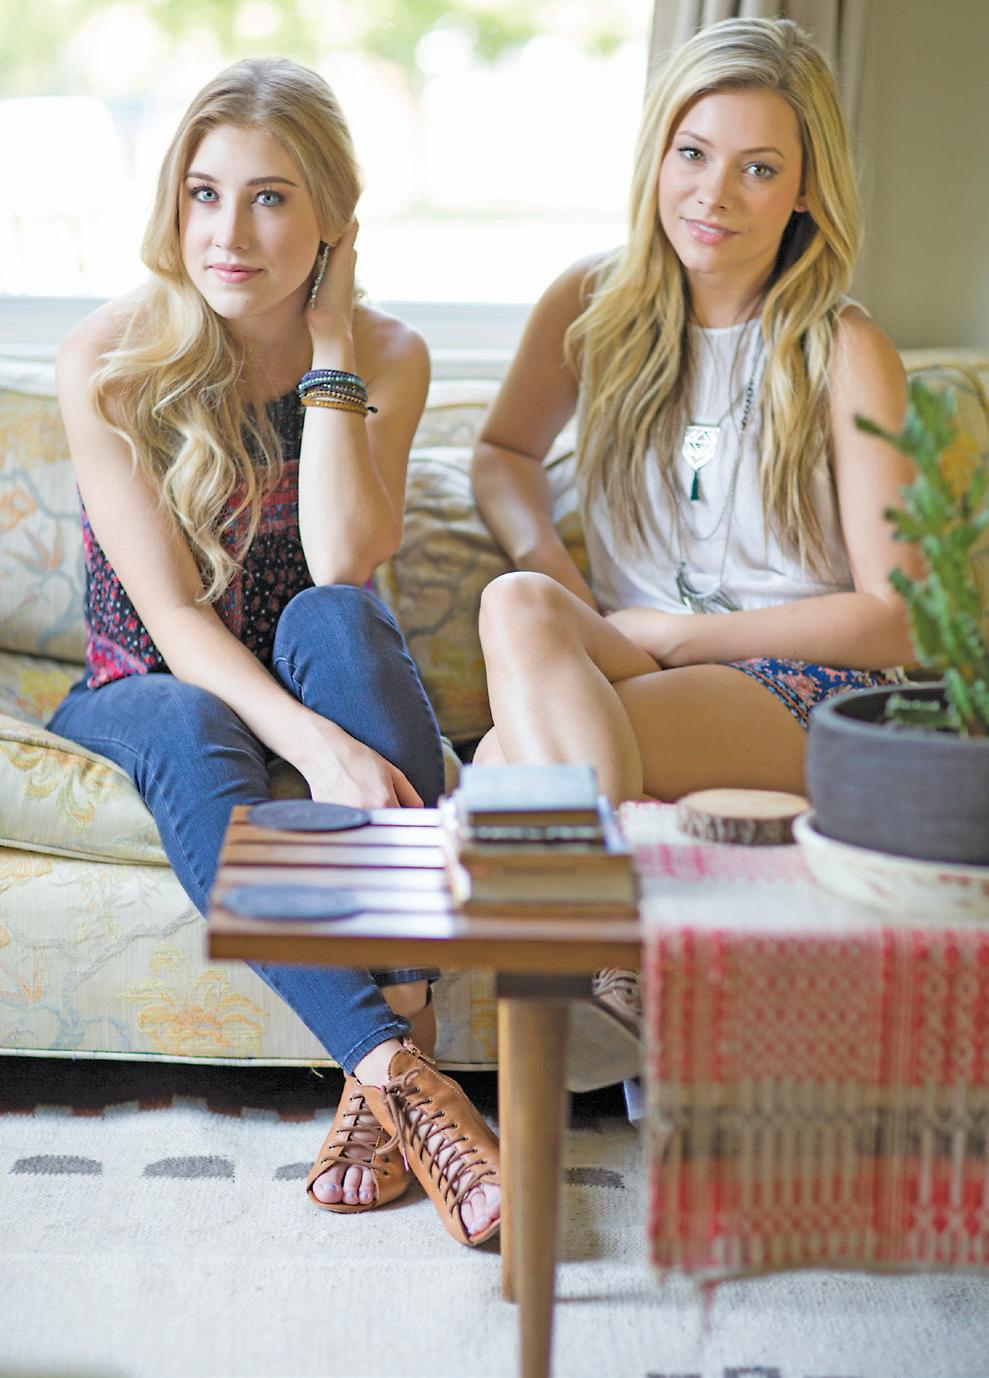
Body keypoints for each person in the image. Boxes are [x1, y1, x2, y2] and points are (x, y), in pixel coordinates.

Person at [49, 56, 499, 1247]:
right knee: (192, 721)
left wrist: (331, 342)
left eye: (268, 198)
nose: (227, 233)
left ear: (330, 221)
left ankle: (378, 1076)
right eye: (204, 193)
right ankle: (398, 1066)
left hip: (313, 664)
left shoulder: (385, 354)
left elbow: (344, 559)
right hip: (146, 682)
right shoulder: (108, 359)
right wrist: (318, 748)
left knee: (335, 618)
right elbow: (173, 622)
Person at [470, 19, 921, 1052]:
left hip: (806, 691)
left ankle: (603, 961)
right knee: (518, 601)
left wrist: (680, 636)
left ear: (803, 190)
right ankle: (624, 964)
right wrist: (558, 576)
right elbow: (501, 452)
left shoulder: (842, 348)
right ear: (658, 154)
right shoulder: (591, 304)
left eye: (757, 168)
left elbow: (895, 619)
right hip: (630, 659)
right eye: (692, 153)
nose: (713, 195)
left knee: (502, 761)